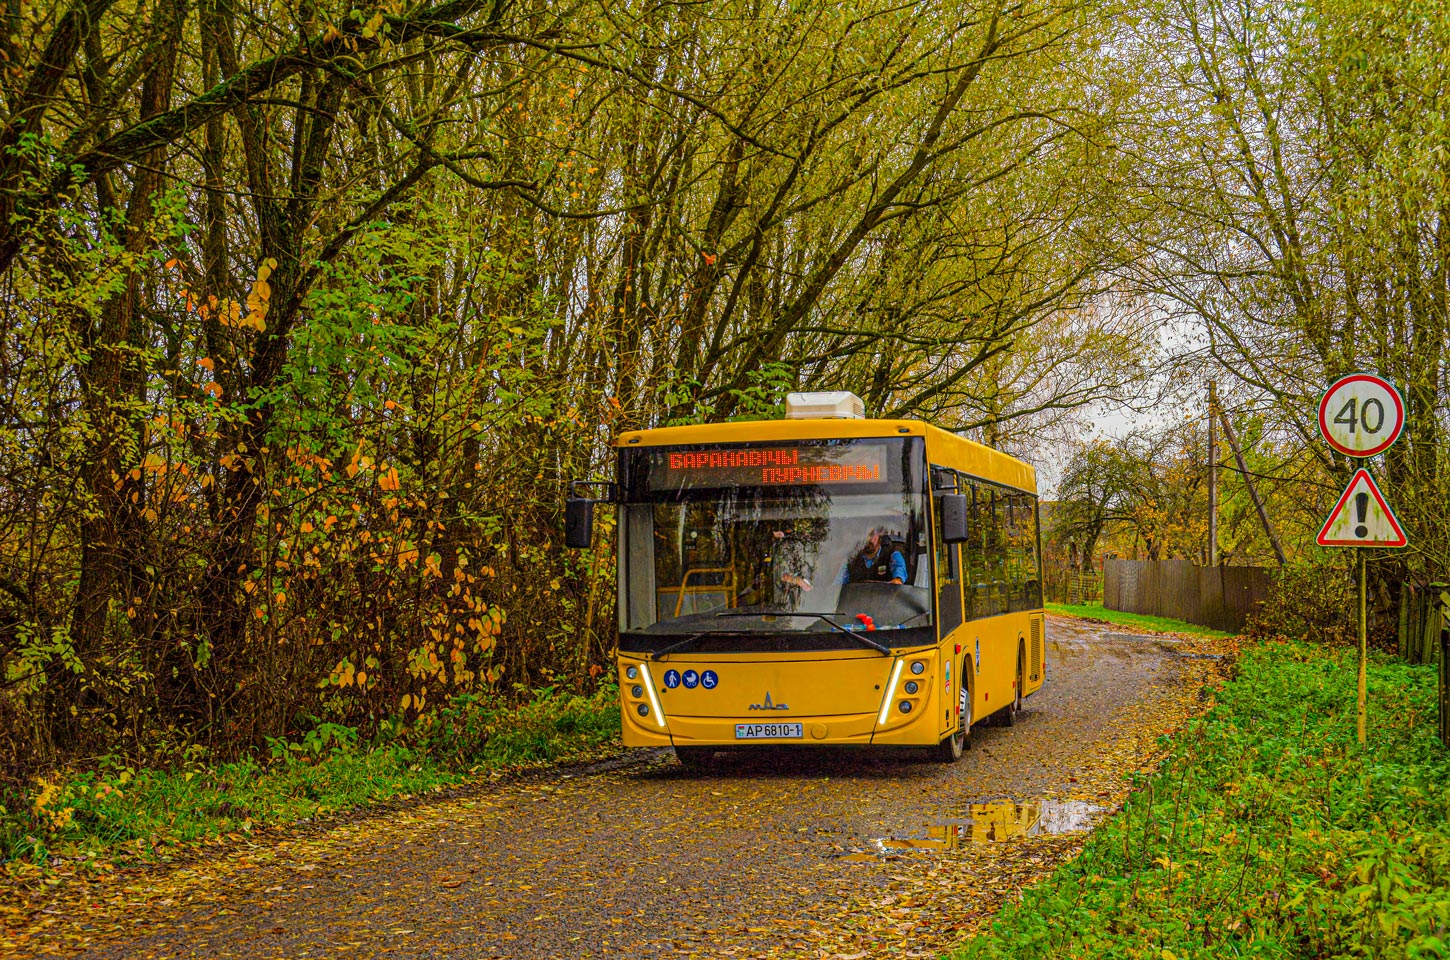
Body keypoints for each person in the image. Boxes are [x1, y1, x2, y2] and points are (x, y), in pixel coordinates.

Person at [836, 526, 906, 585]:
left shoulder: (892, 554)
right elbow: (837, 585)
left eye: (871, 534)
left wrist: (898, 579)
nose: (867, 539)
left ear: (879, 535)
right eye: (864, 535)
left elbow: (898, 575)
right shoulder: (851, 559)